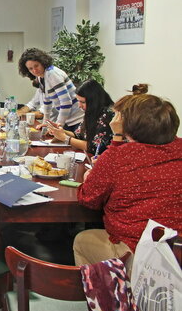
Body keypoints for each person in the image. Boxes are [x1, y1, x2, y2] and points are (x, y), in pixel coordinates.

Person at [73, 92, 182, 266]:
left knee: (82, 240)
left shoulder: (118, 157)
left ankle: (116, 291)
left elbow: (89, 199)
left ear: (127, 126)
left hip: (139, 252)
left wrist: (88, 178)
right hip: (176, 250)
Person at [18, 48, 83, 132]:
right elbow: (47, 103)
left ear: (42, 62)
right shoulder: (41, 77)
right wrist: (46, 124)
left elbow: (66, 102)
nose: (34, 70)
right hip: (69, 120)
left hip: (77, 119)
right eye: (30, 69)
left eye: (36, 66)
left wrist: (58, 125)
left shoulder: (52, 74)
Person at [46, 79, 115, 155]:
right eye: (78, 101)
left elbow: (95, 147)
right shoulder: (92, 110)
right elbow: (79, 135)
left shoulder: (108, 114)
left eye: (82, 102)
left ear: (94, 100)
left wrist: (65, 138)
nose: (79, 105)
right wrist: (59, 131)